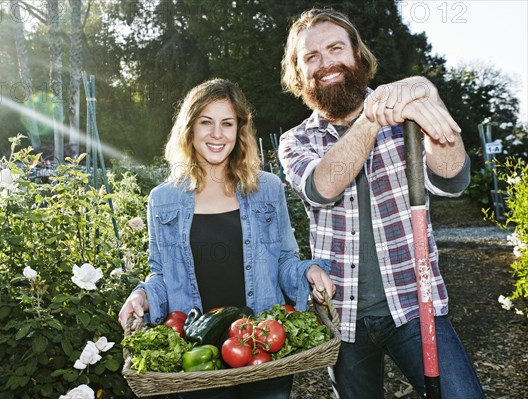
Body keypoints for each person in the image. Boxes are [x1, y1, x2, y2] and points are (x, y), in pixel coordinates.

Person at [278, 8, 485, 399]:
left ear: (357, 54)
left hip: (414, 303)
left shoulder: (405, 114)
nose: (325, 64)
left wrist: (429, 94)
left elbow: (450, 179)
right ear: (299, 73)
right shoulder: (296, 141)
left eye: (335, 48)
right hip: (342, 316)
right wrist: (372, 119)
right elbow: (323, 187)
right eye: (311, 57)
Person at [118, 78, 335, 399]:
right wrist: (142, 296)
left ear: (240, 130)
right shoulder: (162, 200)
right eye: (206, 122)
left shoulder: (268, 189)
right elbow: (161, 275)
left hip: (262, 350)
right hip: (197, 360)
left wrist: (308, 272)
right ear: (189, 129)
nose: (217, 134)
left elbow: (286, 261)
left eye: (227, 123)